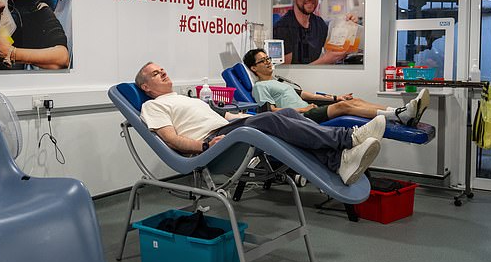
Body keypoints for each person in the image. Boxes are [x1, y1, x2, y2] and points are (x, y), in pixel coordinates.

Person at [135, 62, 387, 186]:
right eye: (156, 73)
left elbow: (225, 118)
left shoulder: (181, 98)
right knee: (273, 117)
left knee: (285, 114)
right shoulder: (152, 106)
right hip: (215, 143)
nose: (163, 73)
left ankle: (337, 162)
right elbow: (170, 138)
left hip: (227, 129)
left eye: (163, 69)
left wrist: (249, 118)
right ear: (146, 87)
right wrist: (203, 146)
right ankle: (348, 139)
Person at [243, 49, 430, 127]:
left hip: (309, 110)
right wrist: (302, 109)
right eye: (262, 60)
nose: (268, 62)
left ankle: (399, 113)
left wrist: (335, 98)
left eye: (268, 58)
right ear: (253, 67)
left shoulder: (278, 81)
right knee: (344, 109)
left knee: (350, 101)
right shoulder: (260, 87)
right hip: (299, 117)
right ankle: (400, 115)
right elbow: (269, 111)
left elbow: (306, 93)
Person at [274, 0, 351, 65]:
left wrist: (349, 26)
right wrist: (325, 60)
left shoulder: (319, 24)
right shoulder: (282, 28)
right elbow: (285, 75)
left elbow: (334, 52)